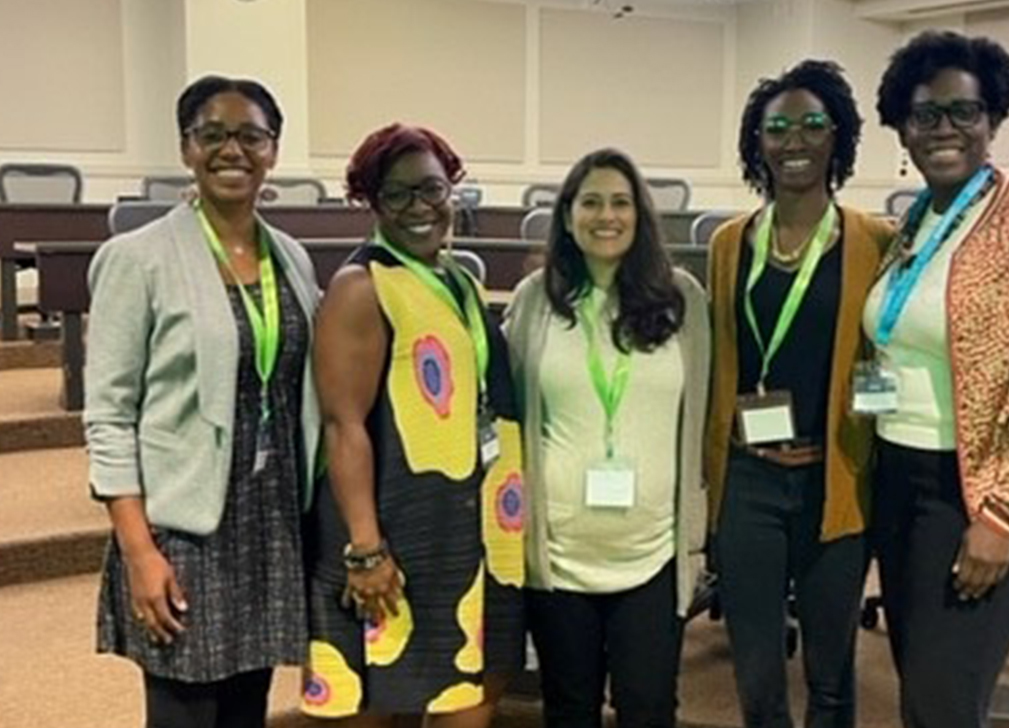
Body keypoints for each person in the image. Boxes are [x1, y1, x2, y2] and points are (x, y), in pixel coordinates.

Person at [864, 30, 1009, 728]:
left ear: (993, 118)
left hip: (979, 494)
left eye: (963, 112)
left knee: (942, 699)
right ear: (902, 129)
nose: (943, 129)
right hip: (899, 476)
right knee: (921, 686)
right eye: (924, 114)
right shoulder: (915, 223)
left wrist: (1004, 517)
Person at [85, 75, 321, 727]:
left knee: (248, 711)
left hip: (270, 519)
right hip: (183, 527)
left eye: (251, 135)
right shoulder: (138, 258)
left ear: (273, 150)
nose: (232, 150)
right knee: (184, 714)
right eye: (212, 134)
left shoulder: (292, 258)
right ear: (187, 148)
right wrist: (140, 552)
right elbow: (108, 416)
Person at [302, 123, 525, 727]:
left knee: (469, 699)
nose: (418, 208)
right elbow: (344, 425)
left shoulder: (459, 279)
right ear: (372, 203)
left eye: (430, 189)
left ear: (451, 189)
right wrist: (366, 549)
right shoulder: (361, 286)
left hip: (468, 532)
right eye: (396, 194)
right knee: (383, 704)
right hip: (395, 539)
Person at [703, 60, 894, 728]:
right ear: (756, 143)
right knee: (756, 672)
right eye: (775, 127)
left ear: (838, 136)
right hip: (749, 481)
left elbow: (885, 351)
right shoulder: (731, 243)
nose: (794, 141)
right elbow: (722, 361)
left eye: (813, 124)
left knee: (832, 673)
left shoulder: (876, 240)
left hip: (834, 480)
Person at [504, 148, 710, 728]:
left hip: (652, 554)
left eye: (621, 202)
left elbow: (701, 414)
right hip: (559, 554)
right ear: (567, 215)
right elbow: (511, 413)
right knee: (569, 708)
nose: (606, 216)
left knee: (648, 708)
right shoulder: (533, 302)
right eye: (590, 201)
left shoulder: (683, 301)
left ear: (641, 216)